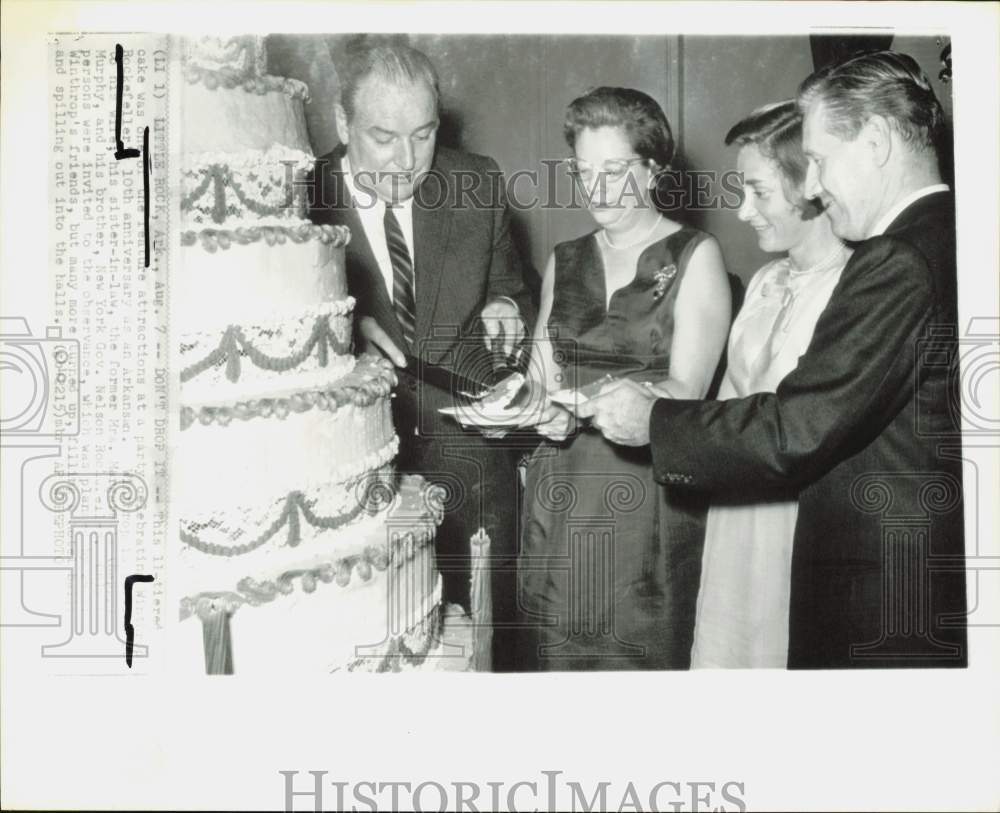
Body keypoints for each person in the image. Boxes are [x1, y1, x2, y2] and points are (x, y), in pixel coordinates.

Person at [584, 51, 966, 669]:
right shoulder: (952, 234)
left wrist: (650, 423)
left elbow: (796, 426)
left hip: (879, 581)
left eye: (817, 161)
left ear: (873, 142)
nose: (812, 185)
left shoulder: (897, 259)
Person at [307, 42, 537, 670]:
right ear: (342, 122)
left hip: (472, 456)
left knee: (488, 642)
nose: (406, 161)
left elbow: (512, 284)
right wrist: (342, 331)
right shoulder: (299, 195)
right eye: (383, 137)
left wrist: (507, 309)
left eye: (424, 134)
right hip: (355, 470)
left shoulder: (476, 181)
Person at [517, 87, 732, 670]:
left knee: (635, 660)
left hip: (645, 497)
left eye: (614, 170)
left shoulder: (696, 255)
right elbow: (539, 373)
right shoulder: (565, 257)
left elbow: (687, 393)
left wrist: (592, 402)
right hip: (560, 491)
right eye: (584, 171)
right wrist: (519, 402)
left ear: (654, 168)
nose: (597, 188)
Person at [690, 101, 851, 668]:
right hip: (735, 522)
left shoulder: (855, 290)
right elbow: (728, 412)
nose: (741, 211)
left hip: (803, 531)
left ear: (809, 184)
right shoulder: (763, 281)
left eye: (758, 191)